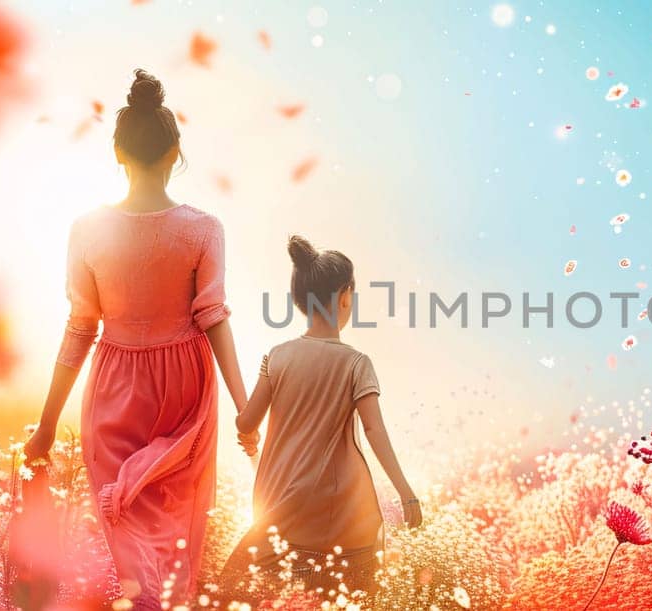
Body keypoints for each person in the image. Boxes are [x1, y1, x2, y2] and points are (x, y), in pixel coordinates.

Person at [23, 69, 249, 610]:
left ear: (118, 153)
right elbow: (213, 317)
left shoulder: (86, 230)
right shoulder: (203, 229)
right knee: (176, 541)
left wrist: (48, 424)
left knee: (127, 539)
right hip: (185, 391)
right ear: (176, 152)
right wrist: (246, 408)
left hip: (112, 389)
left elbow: (81, 328)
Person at [223, 235, 422, 600]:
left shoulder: (277, 357)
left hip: (280, 515)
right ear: (346, 296)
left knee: (235, 593)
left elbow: (245, 422)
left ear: (301, 301)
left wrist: (247, 435)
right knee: (346, 600)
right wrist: (406, 493)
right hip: (345, 522)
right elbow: (375, 430)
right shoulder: (357, 364)